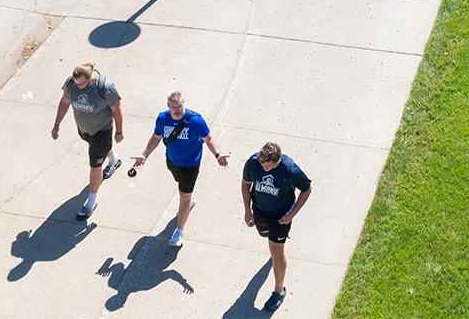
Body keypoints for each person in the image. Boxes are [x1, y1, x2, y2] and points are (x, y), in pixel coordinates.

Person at [131, 91, 230, 247]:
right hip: (172, 161)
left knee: (184, 196)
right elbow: (156, 138)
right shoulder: (163, 118)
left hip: (191, 165)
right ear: (168, 106)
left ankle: (179, 232)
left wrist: (218, 154)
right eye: (174, 107)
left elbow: (209, 138)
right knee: (183, 189)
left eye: (180, 106)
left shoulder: (196, 121)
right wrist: (144, 155)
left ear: (184, 104)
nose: (177, 110)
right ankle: (189, 200)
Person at [242, 142, 312, 315]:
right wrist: (247, 211)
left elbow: (307, 189)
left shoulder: (290, 170)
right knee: (264, 236)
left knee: (277, 254)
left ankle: (278, 291)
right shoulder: (253, 162)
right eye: (262, 164)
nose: (264, 169)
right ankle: (273, 253)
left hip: (280, 218)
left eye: (268, 166)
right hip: (259, 211)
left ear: (277, 161)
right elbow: (245, 184)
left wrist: (292, 214)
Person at [52, 62, 124, 221]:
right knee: (98, 149)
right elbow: (64, 103)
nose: (79, 87)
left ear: (90, 78)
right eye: (76, 83)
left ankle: (90, 202)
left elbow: (117, 110)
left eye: (82, 84)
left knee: (95, 166)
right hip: (84, 130)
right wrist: (56, 125)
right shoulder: (71, 84)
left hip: (101, 131)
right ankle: (113, 159)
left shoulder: (105, 87)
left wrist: (119, 131)